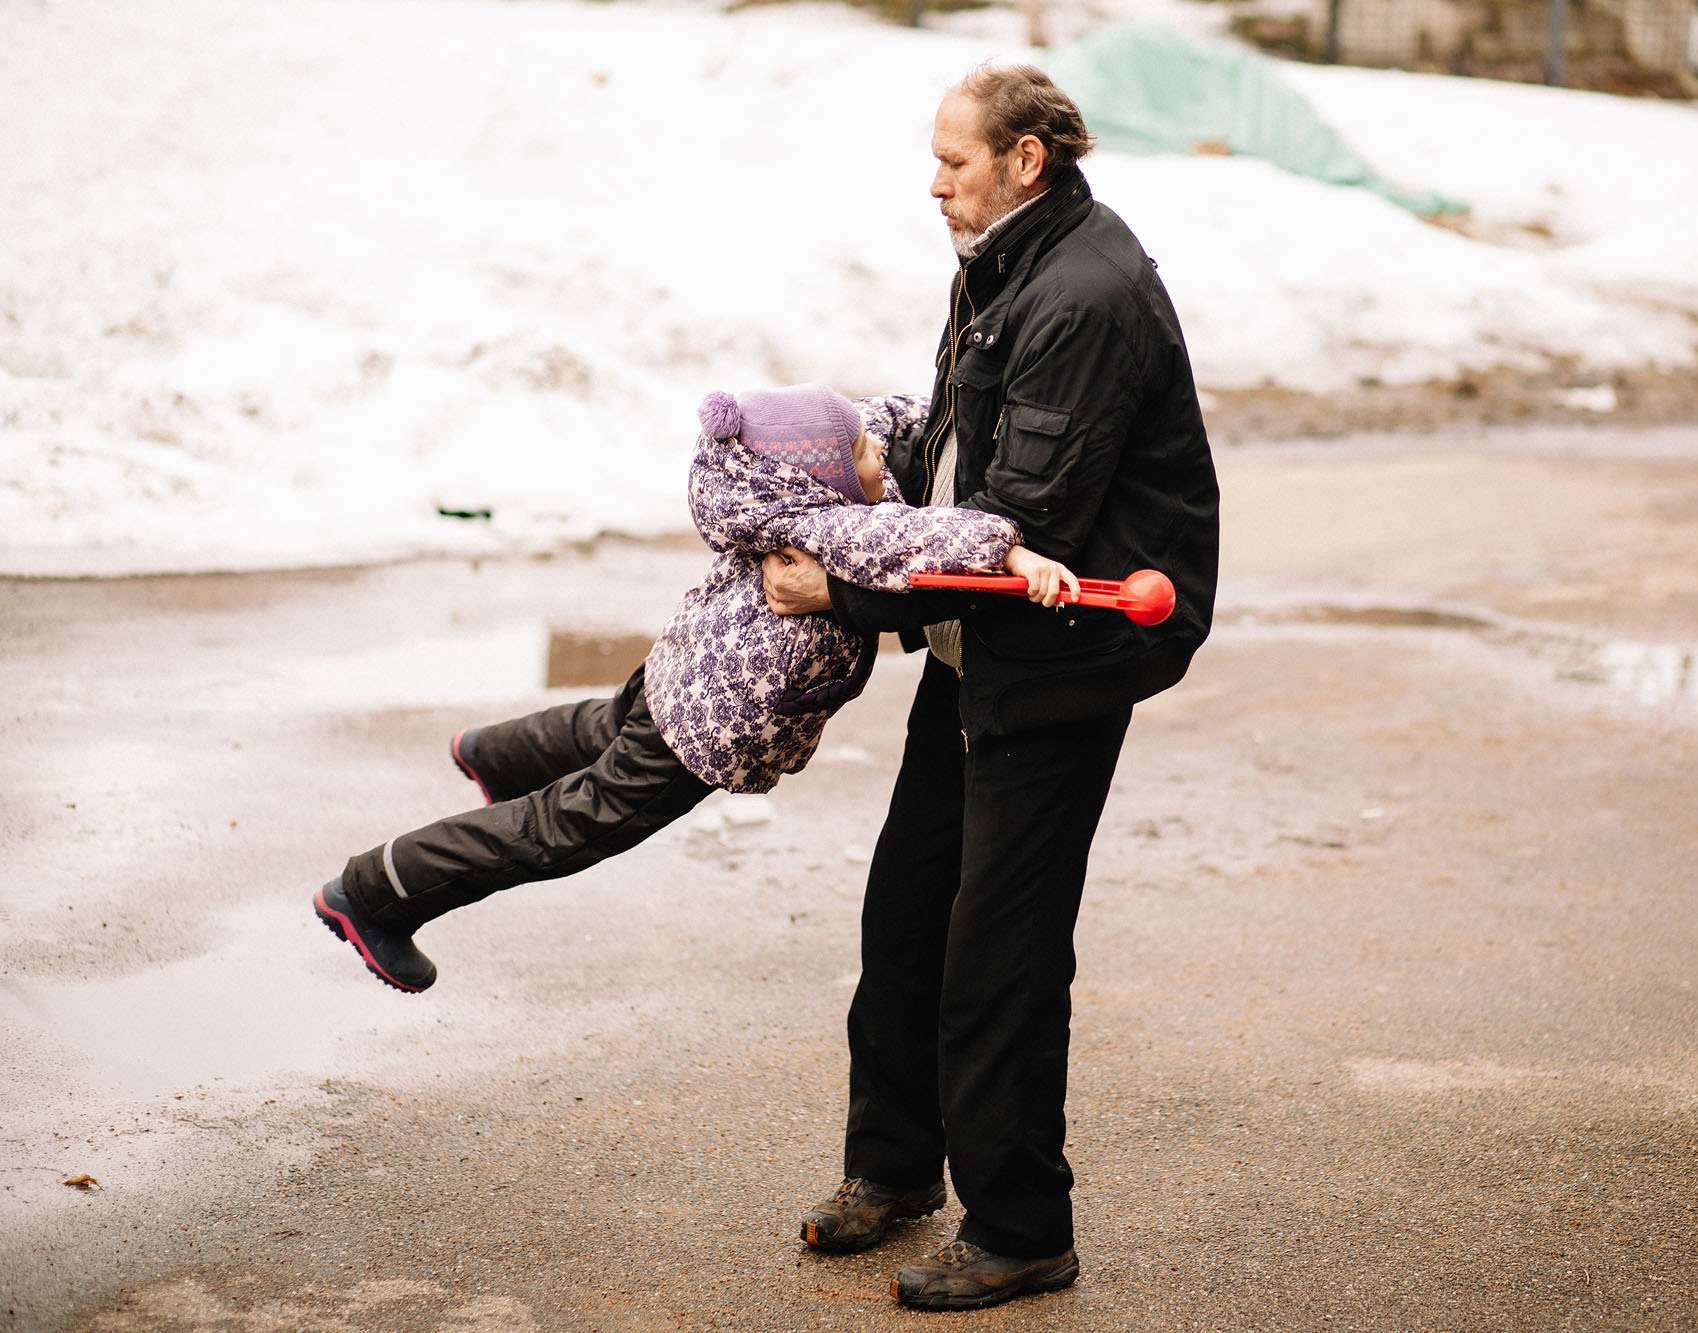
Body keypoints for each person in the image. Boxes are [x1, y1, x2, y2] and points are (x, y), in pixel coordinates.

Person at [764, 66, 1220, 1312]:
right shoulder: (1005, 255)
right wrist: (861, 476)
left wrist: (847, 594)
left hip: (1061, 653)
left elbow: (1022, 520)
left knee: (997, 956)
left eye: (953, 160)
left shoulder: (1085, 292)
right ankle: (898, 1167)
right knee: (906, 916)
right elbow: (961, 454)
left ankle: (1022, 1225)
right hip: (983, 642)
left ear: (1024, 159)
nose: (933, 181)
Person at [311, 384, 1079, 993]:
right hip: (707, 728)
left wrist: (928, 409)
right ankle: (375, 892)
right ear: (828, 475)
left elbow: (876, 414)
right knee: (561, 827)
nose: (877, 450)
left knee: (611, 724)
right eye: (862, 450)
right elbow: (919, 540)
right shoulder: (832, 525)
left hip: (684, 665)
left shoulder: (766, 480)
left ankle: (496, 754)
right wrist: (1013, 555)